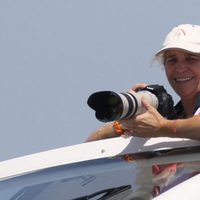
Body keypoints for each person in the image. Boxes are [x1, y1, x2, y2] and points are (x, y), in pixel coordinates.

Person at [86, 24, 200, 142]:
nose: (180, 68)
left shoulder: (164, 126)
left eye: (191, 59)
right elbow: (89, 145)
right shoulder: (174, 118)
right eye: (172, 60)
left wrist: (161, 127)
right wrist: (127, 122)